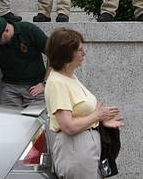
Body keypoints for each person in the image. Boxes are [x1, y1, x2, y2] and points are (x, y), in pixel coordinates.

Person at [45, 28, 124, 178]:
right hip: (75, 148)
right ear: (66, 53)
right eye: (80, 50)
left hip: (85, 146)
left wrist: (99, 119)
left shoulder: (69, 77)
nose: (84, 53)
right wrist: (96, 116)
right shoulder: (57, 82)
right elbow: (67, 127)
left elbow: (78, 114)